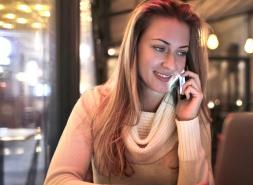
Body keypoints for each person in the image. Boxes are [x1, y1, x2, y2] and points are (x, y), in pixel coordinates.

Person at [44, 0, 214, 185]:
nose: (171, 64)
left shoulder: (194, 113)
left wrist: (187, 122)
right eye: (159, 48)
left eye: (181, 53)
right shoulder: (94, 104)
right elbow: (57, 180)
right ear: (134, 47)